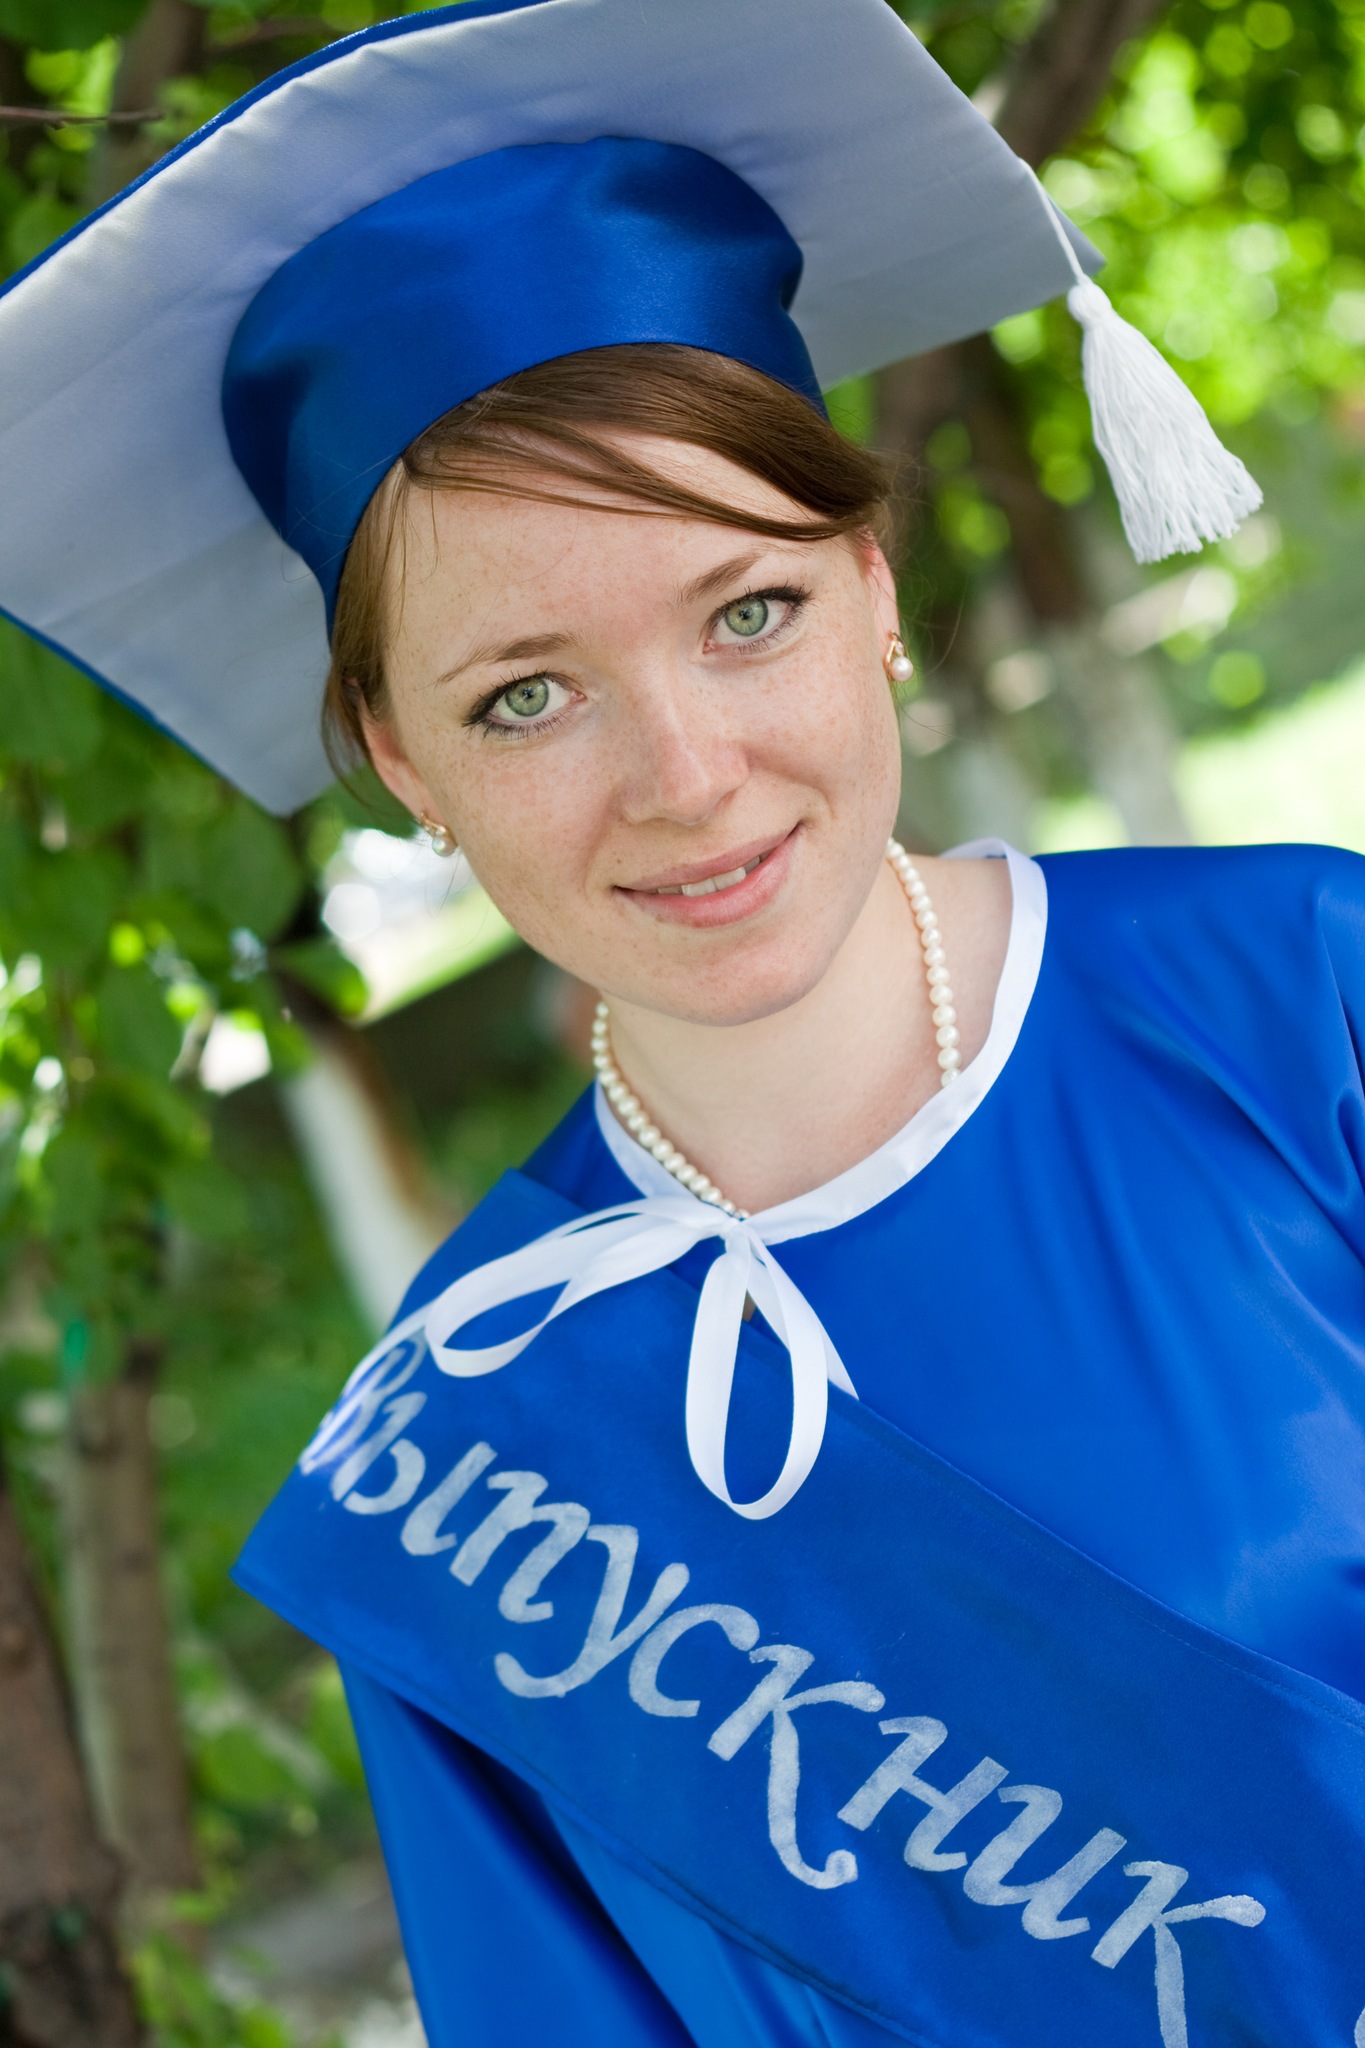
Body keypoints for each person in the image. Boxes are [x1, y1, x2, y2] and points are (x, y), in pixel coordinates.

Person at [1, 3, 1362, 2044]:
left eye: (746, 612)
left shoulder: (1300, 997)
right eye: (522, 697)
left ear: (870, 578)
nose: (686, 778)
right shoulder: (471, 1468)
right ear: (398, 760)